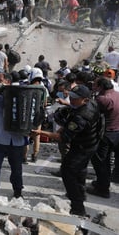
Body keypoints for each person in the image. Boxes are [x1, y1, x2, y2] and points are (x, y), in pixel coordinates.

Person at [32, 85, 101, 216]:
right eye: (72, 97)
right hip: (90, 143)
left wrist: (40, 132)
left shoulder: (82, 116)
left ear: (85, 100)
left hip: (82, 147)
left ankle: (78, 208)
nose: (72, 100)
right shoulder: (91, 103)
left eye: (75, 99)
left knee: (68, 172)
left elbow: (61, 138)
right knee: (80, 170)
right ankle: (80, 194)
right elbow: (70, 121)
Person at [0, 73, 26, 198]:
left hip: (17, 140)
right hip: (0, 139)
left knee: (17, 169)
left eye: (0, 80)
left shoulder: (20, 95)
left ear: (8, 81)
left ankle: (18, 191)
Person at [88, 77, 119, 199]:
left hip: (107, 134)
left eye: (95, 85)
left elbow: (92, 113)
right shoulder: (117, 95)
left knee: (101, 161)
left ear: (101, 87)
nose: (93, 86)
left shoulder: (102, 99)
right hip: (117, 133)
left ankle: (103, 188)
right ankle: (105, 181)